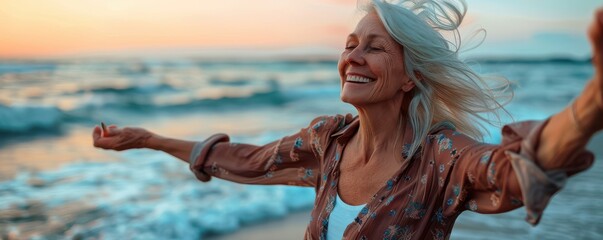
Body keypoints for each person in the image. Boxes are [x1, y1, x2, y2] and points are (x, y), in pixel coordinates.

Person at [93, 0, 603, 239]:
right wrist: (147, 138)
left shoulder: (440, 155)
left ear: (410, 77)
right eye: (350, 45)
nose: (353, 57)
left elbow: (511, 173)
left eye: (375, 48)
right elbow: (244, 160)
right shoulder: (327, 141)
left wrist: (590, 106)